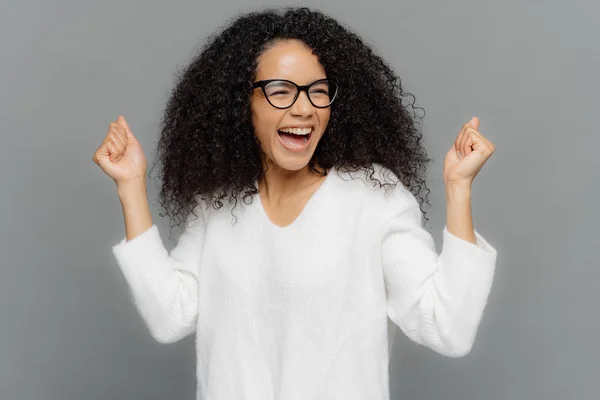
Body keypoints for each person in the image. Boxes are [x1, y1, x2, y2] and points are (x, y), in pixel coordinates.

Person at [92, 6, 497, 400]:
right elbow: (169, 316)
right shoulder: (219, 204)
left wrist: (458, 187)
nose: (303, 108)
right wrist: (130, 186)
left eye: (318, 91)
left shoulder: (372, 199)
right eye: (280, 91)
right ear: (241, 104)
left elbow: (448, 329)